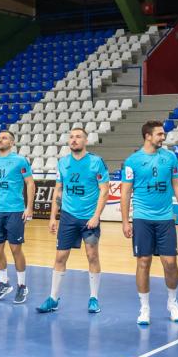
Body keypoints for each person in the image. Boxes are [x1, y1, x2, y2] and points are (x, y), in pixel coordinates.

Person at [122, 120, 178, 325]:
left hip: (165, 218)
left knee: (170, 263)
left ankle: (172, 302)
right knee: (143, 262)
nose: (163, 137)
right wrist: (125, 221)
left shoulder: (170, 158)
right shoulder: (132, 161)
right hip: (142, 218)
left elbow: (177, 184)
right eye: (159, 134)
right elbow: (126, 193)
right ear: (148, 136)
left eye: (163, 133)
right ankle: (144, 308)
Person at [37, 127, 111, 314]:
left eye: (78, 137)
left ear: (86, 140)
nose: (74, 140)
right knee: (60, 257)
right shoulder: (63, 163)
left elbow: (104, 190)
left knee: (92, 256)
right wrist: (53, 217)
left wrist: (96, 216)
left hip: (89, 218)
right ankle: (53, 298)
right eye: (71, 137)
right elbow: (58, 190)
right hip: (68, 217)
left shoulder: (96, 162)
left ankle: (94, 298)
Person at [0, 130, 36, 304]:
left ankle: (22, 286)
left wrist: (29, 207)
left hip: (15, 211)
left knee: (15, 249)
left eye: (4, 138)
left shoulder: (20, 160)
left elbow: (30, 183)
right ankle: (4, 283)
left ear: (12, 142)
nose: (0, 140)